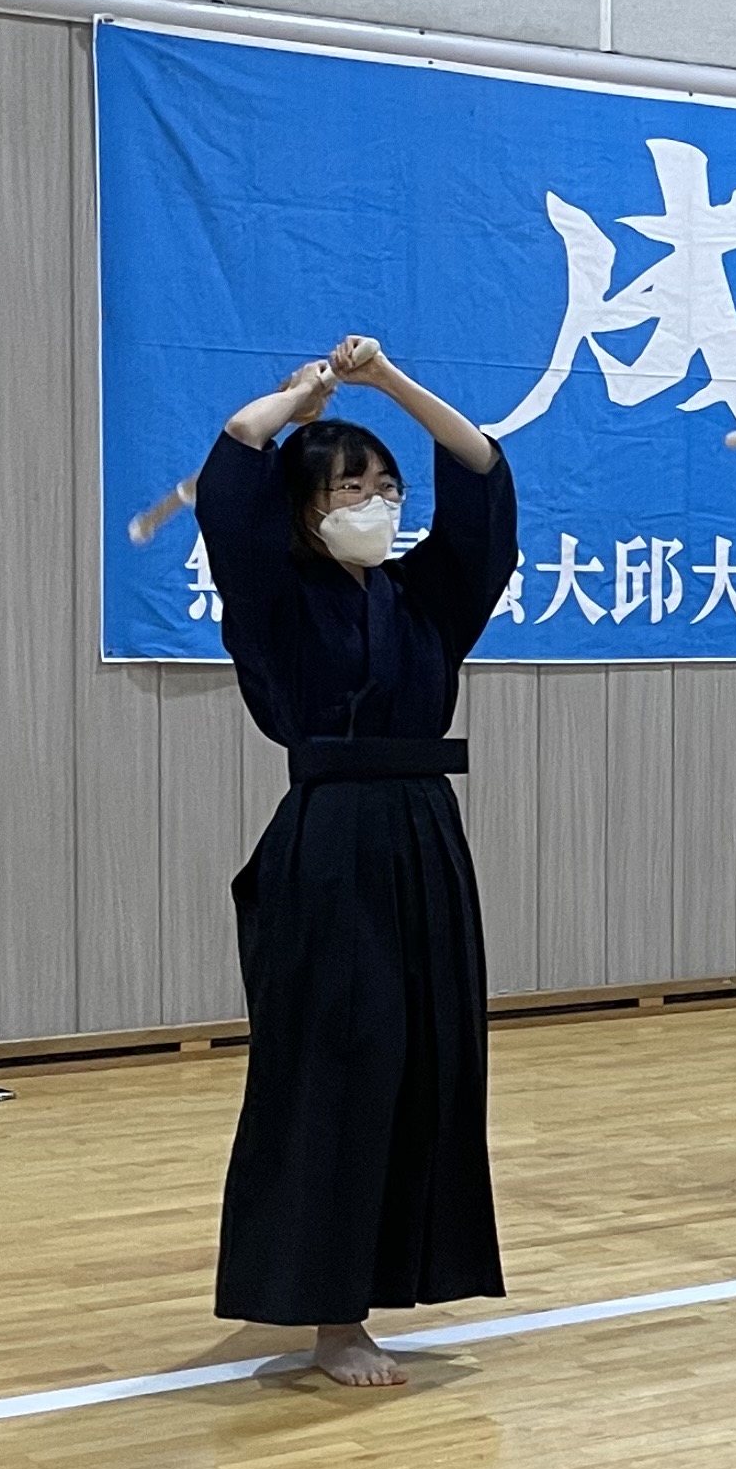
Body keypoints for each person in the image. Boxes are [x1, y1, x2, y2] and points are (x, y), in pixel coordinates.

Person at [197, 335, 518, 1387]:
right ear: (304, 508)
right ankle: (332, 1317)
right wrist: (298, 398)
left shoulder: (425, 597)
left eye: (385, 488)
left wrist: (387, 385)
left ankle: (397, 1278)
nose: (375, 504)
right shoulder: (276, 595)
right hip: (329, 846)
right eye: (349, 489)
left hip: (425, 835)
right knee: (336, 1067)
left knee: (426, 1062)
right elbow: (237, 456)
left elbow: (479, 470)